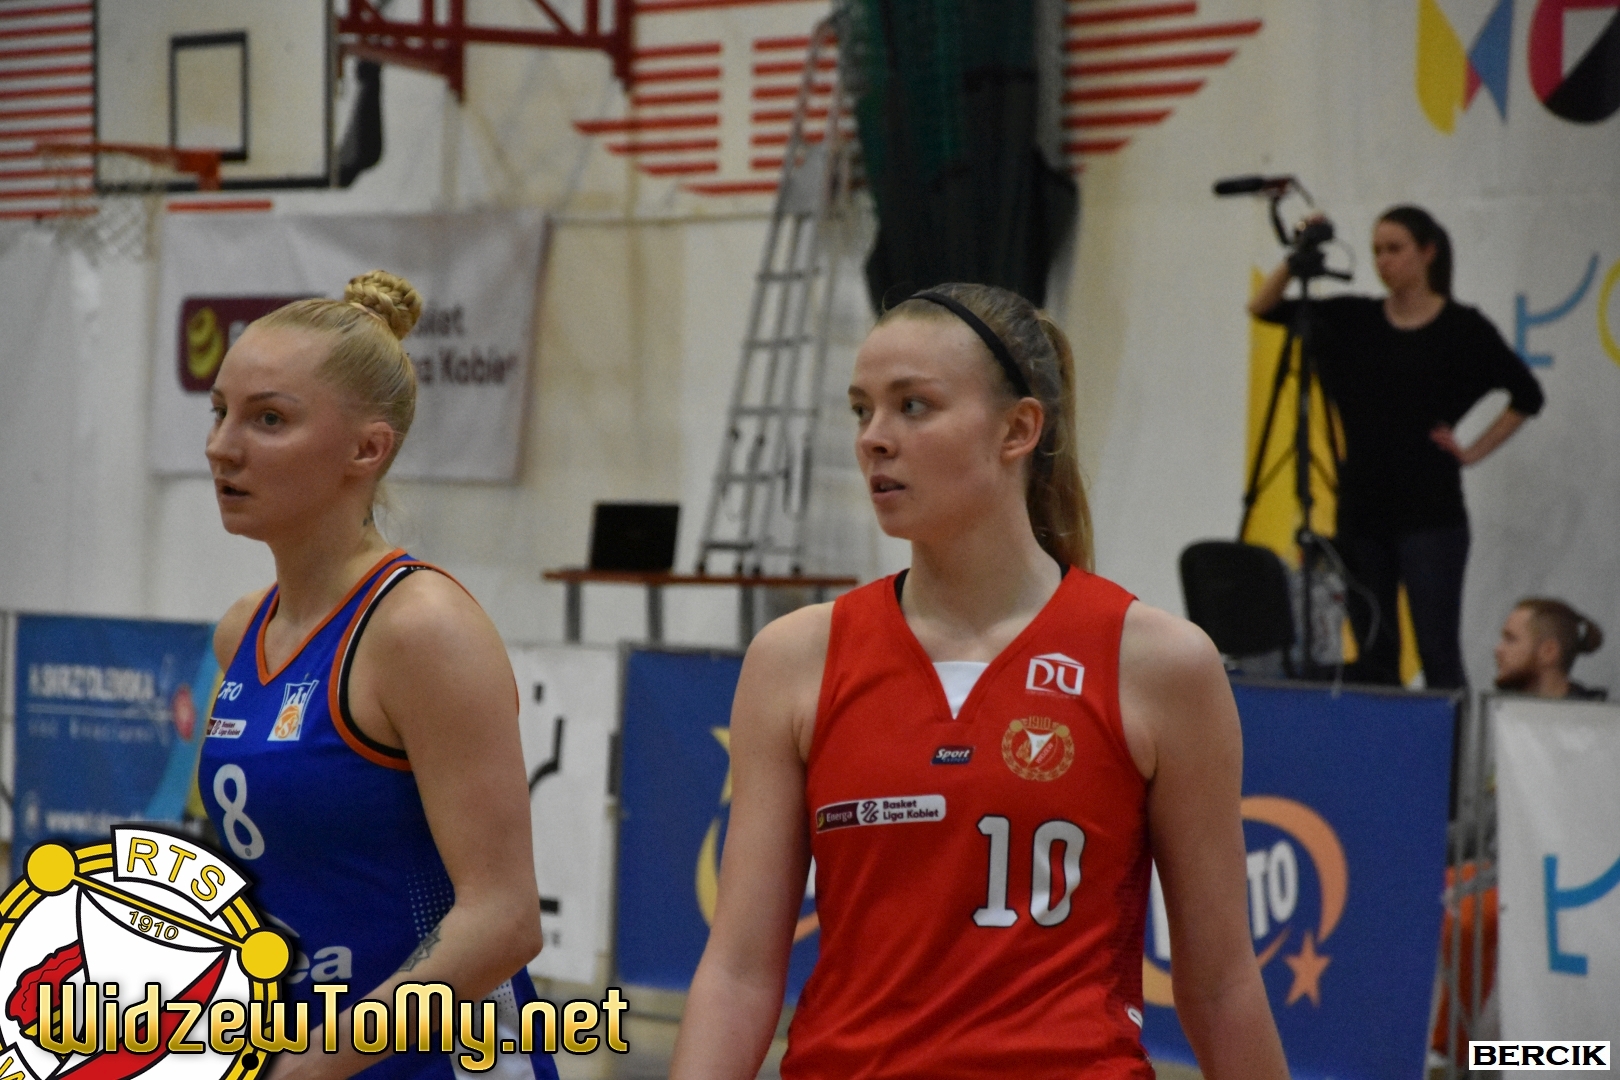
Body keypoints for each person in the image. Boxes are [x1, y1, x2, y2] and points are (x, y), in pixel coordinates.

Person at [670, 284, 1288, 1079]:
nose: (873, 438)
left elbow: (1221, 985)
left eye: (913, 406)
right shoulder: (796, 657)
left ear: (1018, 430)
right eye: (861, 410)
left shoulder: (1159, 663)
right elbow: (739, 973)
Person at [200, 272, 557, 1080]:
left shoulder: (420, 629)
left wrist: (311, 1067)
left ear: (367, 450)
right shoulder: (241, 631)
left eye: (268, 419)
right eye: (220, 412)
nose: (223, 445)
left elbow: (504, 919)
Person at [1248, 205, 1544, 689]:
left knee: (1436, 649)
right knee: (1374, 653)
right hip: (1362, 509)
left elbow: (1527, 395)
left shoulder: (1461, 327)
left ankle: (1452, 739)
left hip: (1430, 511)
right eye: (1377, 251)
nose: (1384, 261)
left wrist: (1471, 451)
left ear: (1428, 252)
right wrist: (1297, 256)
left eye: (1395, 249)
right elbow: (1264, 307)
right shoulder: (1355, 318)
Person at [1494, 598, 1607, 700]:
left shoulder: (1595, 716)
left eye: (1510, 639)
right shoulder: (1499, 712)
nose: (1498, 650)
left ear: (1548, 651)